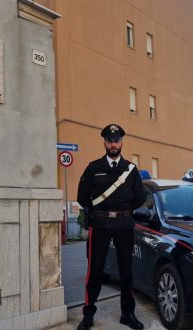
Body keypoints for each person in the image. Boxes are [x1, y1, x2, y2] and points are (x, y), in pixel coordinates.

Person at [76, 124, 145, 330]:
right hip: (101, 225)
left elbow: (140, 197)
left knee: (126, 270)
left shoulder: (131, 170)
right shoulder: (94, 168)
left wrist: (124, 211)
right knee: (95, 270)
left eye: (116, 140)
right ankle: (88, 314)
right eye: (109, 140)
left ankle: (128, 314)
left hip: (124, 225)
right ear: (104, 143)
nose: (113, 144)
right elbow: (82, 197)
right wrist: (100, 211)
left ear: (121, 143)